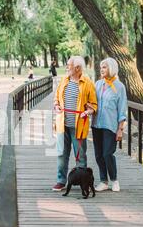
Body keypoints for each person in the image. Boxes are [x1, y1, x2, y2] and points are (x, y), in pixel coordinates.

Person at [52, 56, 98, 192]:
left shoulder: (87, 83)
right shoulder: (64, 80)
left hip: (79, 126)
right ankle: (61, 181)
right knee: (62, 153)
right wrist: (56, 106)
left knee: (80, 155)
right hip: (63, 125)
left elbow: (94, 105)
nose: (67, 68)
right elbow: (56, 98)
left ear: (77, 68)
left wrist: (88, 111)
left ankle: (83, 180)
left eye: (69, 65)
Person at [91, 57, 128, 192]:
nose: (102, 69)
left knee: (108, 153)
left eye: (104, 67)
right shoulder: (98, 84)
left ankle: (114, 180)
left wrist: (120, 129)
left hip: (110, 126)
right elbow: (92, 102)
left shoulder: (120, 87)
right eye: (101, 67)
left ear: (111, 68)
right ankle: (103, 181)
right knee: (98, 155)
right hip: (96, 125)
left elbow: (122, 110)